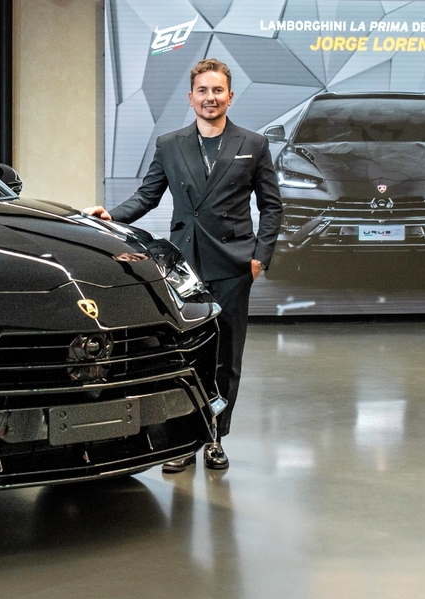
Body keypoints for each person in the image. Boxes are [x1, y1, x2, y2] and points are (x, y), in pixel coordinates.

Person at [84, 58, 282, 473]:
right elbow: (148, 195)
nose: (210, 98)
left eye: (218, 90)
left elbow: (271, 207)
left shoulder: (254, 143)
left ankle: (214, 439)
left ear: (230, 95)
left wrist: (259, 259)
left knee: (226, 359)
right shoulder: (170, 144)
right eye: (203, 91)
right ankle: (181, 444)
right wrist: (111, 217)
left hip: (232, 267)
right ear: (191, 97)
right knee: (184, 358)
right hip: (183, 269)